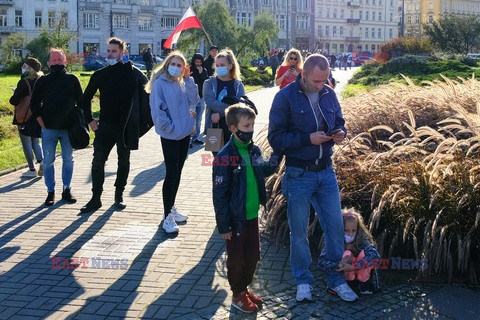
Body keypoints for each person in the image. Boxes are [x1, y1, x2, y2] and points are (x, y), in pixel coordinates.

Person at [268, 54, 358, 302]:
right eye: (317, 81)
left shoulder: (329, 93)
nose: (321, 86)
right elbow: (275, 138)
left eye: (325, 79)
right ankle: (303, 281)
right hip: (298, 173)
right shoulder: (285, 97)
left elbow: (339, 120)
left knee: (336, 229)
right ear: (304, 74)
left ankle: (336, 281)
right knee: (298, 232)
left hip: (326, 171)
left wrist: (341, 132)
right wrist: (307, 139)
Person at [213, 103, 278, 313]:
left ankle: (243, 289)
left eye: (252, 125)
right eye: (247, 126)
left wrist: (279, 152)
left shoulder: (253, 150)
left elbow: (265, 168)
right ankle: (237, 295)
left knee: (253, 256)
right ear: (233, 128)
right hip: (235, 219)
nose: (250, 130)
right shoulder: (224, 157)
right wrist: (224, 226)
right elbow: (219, 195)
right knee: (236, 260)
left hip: (252, 216)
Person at [80, 37, 153, 213]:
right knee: (97, 161)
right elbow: (85, 99)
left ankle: (119, 194)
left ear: (123, 52)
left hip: (126, 127)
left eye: (114, 51)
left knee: (123, 161)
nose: (110, 54)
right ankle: (95, 198)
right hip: (104, 126)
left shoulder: (134, 73)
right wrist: (90, 120)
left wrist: (142, 126)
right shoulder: (100, 74)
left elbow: (147, 99)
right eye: (109, 51)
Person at [146, 51, 199, 233]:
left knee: (178, 172)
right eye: (173, 64)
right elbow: (157, 111)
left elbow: (194, 100)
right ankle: (167, 216)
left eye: (180, 65)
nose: (176, 67)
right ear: (167, 64)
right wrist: (169, 128)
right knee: (171, 173)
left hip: (184, 134)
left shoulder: (182, 83)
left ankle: (172, 208)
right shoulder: (160, 84)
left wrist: (189, 80)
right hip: (170, 135)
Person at [30, 49, 83, 206]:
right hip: (49, 129)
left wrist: (82, 121)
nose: (57, 64)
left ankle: (67, 189)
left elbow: (81, 102)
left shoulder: (72, 79)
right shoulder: (43, 81)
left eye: (60, 61)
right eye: (54, 61)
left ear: (65, 62)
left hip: (68, 128)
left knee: (68, 159)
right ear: (48, 64)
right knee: (48, 161)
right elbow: (34, 104)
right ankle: (50, 192)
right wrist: (41, 123)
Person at [327, 209, 382, 295]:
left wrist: (353, 267)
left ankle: (364, 282)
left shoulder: (362, 240)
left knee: (364, 254)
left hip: (358, 269)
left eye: (354, 230)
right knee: (346, 254)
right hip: (346, 272)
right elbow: (322, 262)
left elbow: (375, 256)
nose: (350, 234)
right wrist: (339, 264)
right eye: (346, 230)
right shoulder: (335, 242)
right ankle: (349, 281)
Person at [10, 58, 44, 178]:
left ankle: (32, 169)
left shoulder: (24, 82)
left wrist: (15, 93)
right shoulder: (41, 80)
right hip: (37, 115)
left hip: (24, 116)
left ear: (29, 69)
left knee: (26, 143)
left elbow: (14, 100)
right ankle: (41, 162)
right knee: (36, 141)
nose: (22, 68)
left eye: (24, 66)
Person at [203, 49, 245, 145]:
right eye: (217, 65)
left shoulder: (238, 85)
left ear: (230, 66)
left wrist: (221, 114)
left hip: (235, 128)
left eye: (222, 65)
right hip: (214, 126)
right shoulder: (209, 83)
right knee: (217, 157)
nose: (219, 68)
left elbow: (241, 105)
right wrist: (231, 108)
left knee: (233, 158)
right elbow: (211, 102)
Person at [189, 53, 209, 147]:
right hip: (192, 99)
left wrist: (201, 73)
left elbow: (206, 82)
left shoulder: (204, 70)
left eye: (200, 62)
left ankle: (195, 137)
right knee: (191, 119)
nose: (198, 63)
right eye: (196, 61)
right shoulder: (190, 70)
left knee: (198, 119)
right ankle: (188, 140)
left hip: (201, 98)